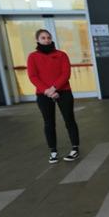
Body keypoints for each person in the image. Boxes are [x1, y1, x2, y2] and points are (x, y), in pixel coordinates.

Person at [27, 29, 80, 164]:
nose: (46, 40)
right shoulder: (32, 57)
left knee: (69, 119)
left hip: (63, 92)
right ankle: (53, 151)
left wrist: (54, 88)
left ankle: (75, 149)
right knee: (49, 122)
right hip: (44, 94)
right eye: (43, 38)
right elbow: (33, 76)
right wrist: (47, 91)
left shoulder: (61, 55)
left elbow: (66, 73)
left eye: (48, 37)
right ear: (37, 40)